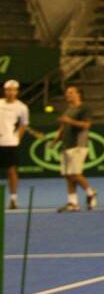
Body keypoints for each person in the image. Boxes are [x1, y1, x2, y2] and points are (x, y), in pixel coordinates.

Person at [54, 85, 97, 212]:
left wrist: (69, 121)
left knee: (75, 174)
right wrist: (56, 140)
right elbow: (63, 127)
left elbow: (86, 125)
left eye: (71, 92)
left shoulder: (85, 108)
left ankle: (91, 192)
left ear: (78, 94)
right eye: (67, 93)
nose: (68, 95)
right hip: (66, 145)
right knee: (68, 175)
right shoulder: (67, 110)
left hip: (78, 145)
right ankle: (73, 203)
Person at [0, 79, 40, 210]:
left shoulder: (22, 107)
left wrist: (17, 138)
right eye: (8, 90)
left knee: (11, 171)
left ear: (17, 92)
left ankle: (13, 199)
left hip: (9, 143)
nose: (11, 92)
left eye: (13, 90)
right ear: (4, 91)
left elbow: (24, 124)